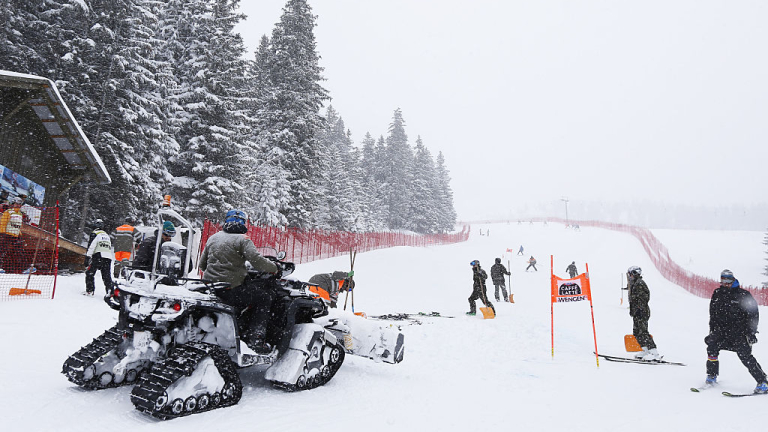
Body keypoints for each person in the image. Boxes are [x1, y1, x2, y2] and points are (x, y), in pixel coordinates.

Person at [200, 210, 278, 353]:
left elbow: (202, 265)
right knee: (264, 297)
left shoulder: (213, 238)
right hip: (231, 290)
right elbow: (257, 261)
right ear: (243, 222)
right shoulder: (243, 239)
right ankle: (256, 338)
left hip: (210, 288)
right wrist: (274, 268)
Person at [704, 269, 768, 393]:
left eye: (728, 280)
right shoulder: (717, 293)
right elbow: (713, 314)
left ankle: (763, 381)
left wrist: (751, 332)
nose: (726, 283)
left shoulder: (743, 295)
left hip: (739, 332)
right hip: (721, 331)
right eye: (723, 280)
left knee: (745, 356)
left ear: (733, 280)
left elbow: (753, 314)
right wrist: (712, 330)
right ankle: (711, 375)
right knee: (712, 347)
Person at [627, 266, 662, 361]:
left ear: (634, 273)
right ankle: (645, 350)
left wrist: (639, 308)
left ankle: (654, 353)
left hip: (641, 312)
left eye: (630, 274)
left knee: (643, 332)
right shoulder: (634, 283)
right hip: (636, 312)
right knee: (637, 332)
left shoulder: (640, 284)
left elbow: (644, 298)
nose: (629, 276)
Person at [84, 220, 113, 296]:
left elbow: (92, 246)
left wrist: (88, 256)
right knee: (106, 276)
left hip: (98, 255)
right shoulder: (107, 235)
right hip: (108, 257)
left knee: (90, 273)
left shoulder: (95, 234)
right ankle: (110, 292)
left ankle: (89, 291)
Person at [0, 198, 25, 273]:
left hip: (16, 235)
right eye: (17, 204)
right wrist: (2, 233)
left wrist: (20, 233)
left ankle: (22, 268)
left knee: (19, 252)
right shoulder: (8, 212)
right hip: (7, 234)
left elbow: (18, 225)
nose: (18, 205)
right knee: (2, 250)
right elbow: (3, 223)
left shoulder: (20, 214)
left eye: (20, 204)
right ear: (13, 204)